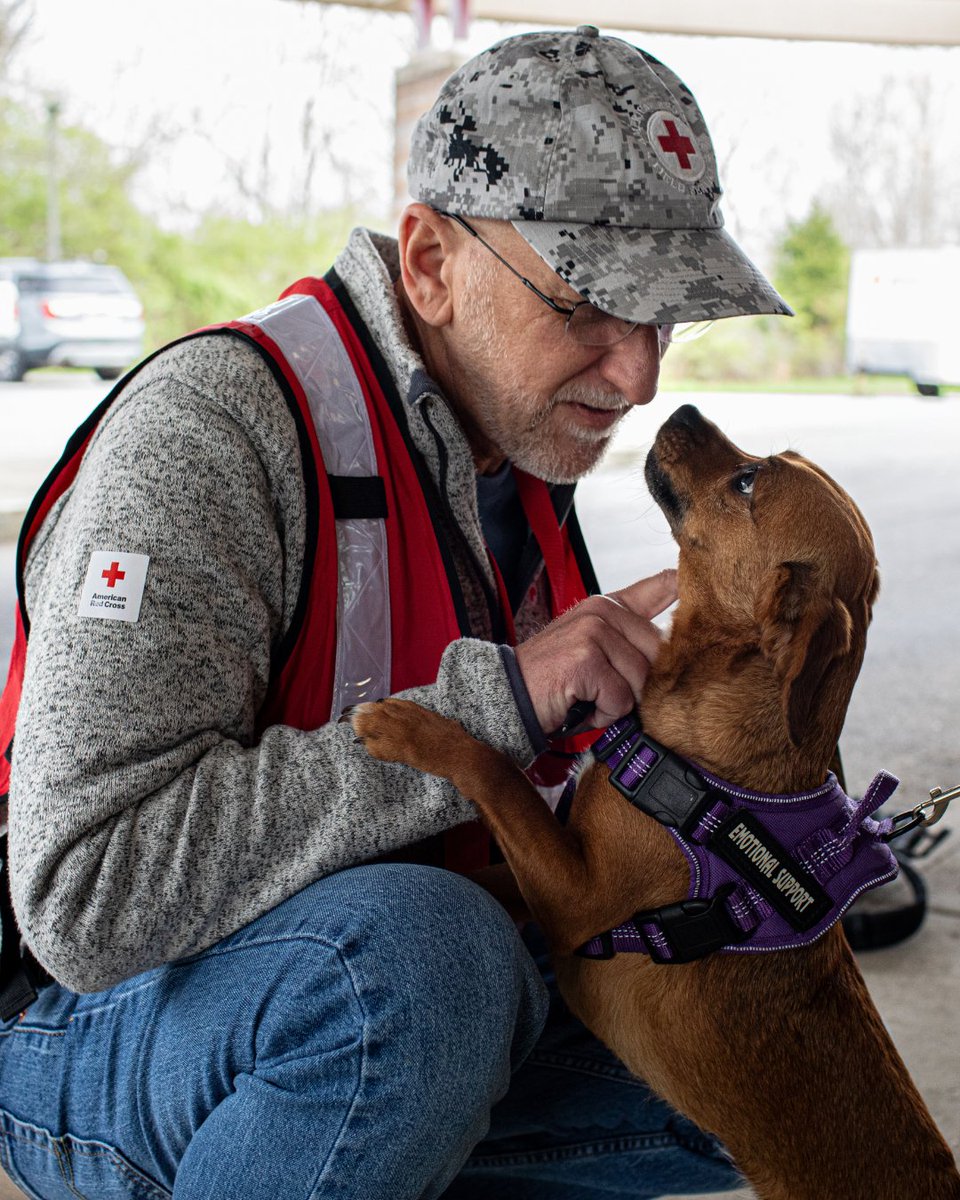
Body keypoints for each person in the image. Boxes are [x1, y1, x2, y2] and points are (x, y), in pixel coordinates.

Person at [0, 25, 790, 1200]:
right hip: (100, 1024)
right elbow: (85, 895)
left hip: (381, 977)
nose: (640, 376)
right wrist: (496, 708)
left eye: (664, 318)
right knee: (423, 973)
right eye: (585, 306)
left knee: (767, 1035)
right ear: (427, 262)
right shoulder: (211, 434)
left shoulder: (515, 438)